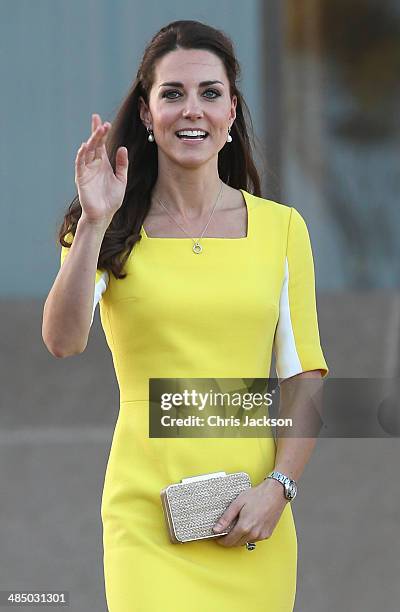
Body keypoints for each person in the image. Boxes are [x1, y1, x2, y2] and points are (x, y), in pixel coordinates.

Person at [42, 19, 329, 612]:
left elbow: (304, 378)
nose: (190, 109)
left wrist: (280, 489)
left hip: (252, 518)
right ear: (147, 115)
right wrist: (94, 222)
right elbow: (63, 340)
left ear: (231, 113)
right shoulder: (107, 225)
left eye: (209, 92)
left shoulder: (283, 230)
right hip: (145, 520)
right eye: (172, 93)